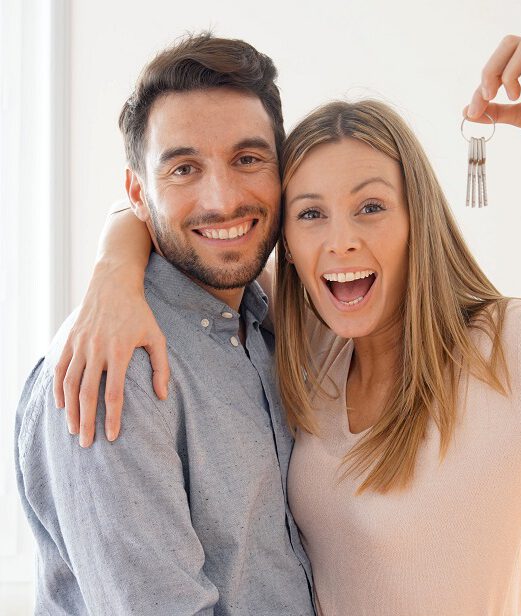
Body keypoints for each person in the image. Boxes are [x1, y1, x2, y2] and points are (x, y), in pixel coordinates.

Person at [53, 36, 521, 614]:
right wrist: (113, 269)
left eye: (371, 207)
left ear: (416, 218)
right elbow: (190, 214)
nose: (341, 239)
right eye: (311, 214)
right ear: (288, 244)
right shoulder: (310, 341)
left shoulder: (512, 349)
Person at [14, 33, 314, 615]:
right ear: (137, 193)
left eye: (248, 159)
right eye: (183, 168)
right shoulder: (113, 368)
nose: (223, 199)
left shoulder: (276, 318)